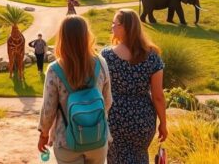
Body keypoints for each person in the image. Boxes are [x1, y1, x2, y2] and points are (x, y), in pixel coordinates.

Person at [38, 15, 112, 164]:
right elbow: (107, 101)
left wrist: (44, 134)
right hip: (97, 138)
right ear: (86, 36)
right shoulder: (100, 63)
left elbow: (48, 109)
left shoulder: (55, 70)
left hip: (66, 141)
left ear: (62, 38)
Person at [102, 9, 167, 164]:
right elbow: (158, 96)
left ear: (124, 27)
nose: (111, 27)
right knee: (140, 157)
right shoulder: (153, 56)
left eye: (114, 23)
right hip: (143, 119)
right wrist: (163, 123)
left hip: (114, 117)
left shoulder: (106, 56)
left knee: (115, 158)